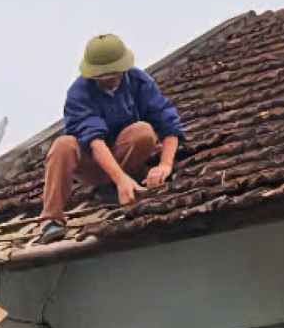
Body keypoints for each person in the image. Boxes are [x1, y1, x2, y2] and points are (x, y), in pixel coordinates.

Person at [36, 33, 186, 244]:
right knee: (63, 145)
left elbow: (167, 122)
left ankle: (122, 185)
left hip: (126, 157)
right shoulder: (79, 93)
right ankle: (51, 219)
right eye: (102, 77)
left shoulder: (139, 81)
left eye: (113, 74)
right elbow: (94, 140)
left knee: (143, 131)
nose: (109, 80)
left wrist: (165, 165)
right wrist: (120, 179)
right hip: (94, 163)